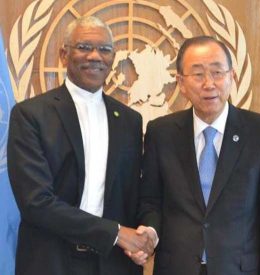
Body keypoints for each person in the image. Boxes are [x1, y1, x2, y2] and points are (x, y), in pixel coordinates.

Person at [7, 16, 154, 275]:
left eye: (105, 49)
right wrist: (116, 234)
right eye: (84, 47)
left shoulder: (130, 120)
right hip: (51, 261)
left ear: (112, 58)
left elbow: (134, 194)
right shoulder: (30, 115)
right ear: (64, 55)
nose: (95, 56)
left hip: (113, 264)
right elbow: (36, 203)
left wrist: (148, 233)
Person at [136, 36, 260, 275]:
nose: (209, 83)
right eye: (197, 74)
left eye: (217, 72)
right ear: (181, 83)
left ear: (232, 77)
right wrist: (151, 230)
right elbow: (151, 201)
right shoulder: (161, 132)